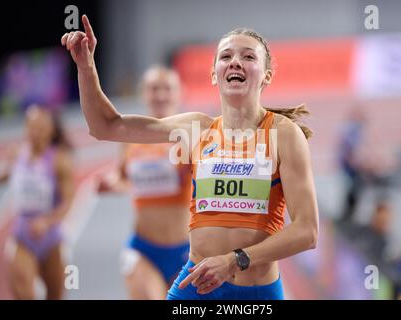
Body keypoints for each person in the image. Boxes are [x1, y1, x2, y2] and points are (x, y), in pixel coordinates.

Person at [62, 15, 319, 300]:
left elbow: (306, 231)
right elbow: (105, 126)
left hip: (256, 294)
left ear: (267, 75)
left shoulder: (284, 135)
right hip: (195, 287)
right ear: (214, 74)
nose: (235, 61)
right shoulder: (196, 129)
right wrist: (86, 67)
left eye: (248, 56)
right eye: (226, 56)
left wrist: (234, 260)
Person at [96, 65, 191, 299]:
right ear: (143, 94)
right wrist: (111, 183)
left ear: (179, 93)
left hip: (188, 251)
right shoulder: (131, 138)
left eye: (167, 89)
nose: (160, 95)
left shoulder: (191, 135)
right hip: (144, 250)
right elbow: (122, 177)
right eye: (153, 89)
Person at [0, 105, 74, 299]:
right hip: (23, 234)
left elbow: (67, 202)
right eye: (31, 127)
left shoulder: (60, 160)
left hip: (52, 237)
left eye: (41, 128)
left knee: (55, 295)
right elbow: (9, 174)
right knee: (23, 294)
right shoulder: (17, 154)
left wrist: (46, 222)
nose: (35, 133)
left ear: (51, 130)